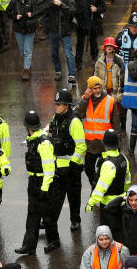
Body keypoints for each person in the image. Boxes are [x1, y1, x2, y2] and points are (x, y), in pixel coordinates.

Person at [14, 109, 61, 255]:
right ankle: (29, 245)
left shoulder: (43, 143)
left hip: (43, 183)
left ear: (28, 127)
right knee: (32, 215)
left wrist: (44, 188)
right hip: (34, 181)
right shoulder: (33, 139)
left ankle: (54, 241)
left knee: (47, 216)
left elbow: (49, 168)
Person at [49, 88, 87, 231]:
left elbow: (81, 146)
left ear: (66, 106)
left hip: (71, 167)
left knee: (73, 196)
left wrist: (72, 163)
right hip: (58, 165)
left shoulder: (74, 122)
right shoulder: (55, 119)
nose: (56, 106)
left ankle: (75, 220)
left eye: (59, 104)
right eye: (56, 104)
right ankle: (51, 220)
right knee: (55, 197)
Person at [78, 76, 125, 186]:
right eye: (95, 88)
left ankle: (101, 188)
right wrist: (85, 98)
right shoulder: (86, 99)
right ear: (89, 89)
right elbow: (79, 113)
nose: (98, 90)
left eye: (99, 87)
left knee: (105, 169)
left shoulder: (110, 101)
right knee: (89, 169)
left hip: (105, 143)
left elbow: (116, 124)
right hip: (90, 143)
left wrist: (118, 144)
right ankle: (95, 185)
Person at [87, 129, 131, 225]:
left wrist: (91, 202)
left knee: (108, 232)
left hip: (108, 205)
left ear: (105, 145)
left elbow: (101, 187)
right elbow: (127, 180)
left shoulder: (108, 164)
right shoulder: (123, 158)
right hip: (121, 201)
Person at [12, 0, 43, 81]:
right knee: (22, 51)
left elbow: (39, 12)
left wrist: (32, 14)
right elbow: (9, 13)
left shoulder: (33, 0)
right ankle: (28, 65)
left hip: (30, 29)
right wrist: (15, 16)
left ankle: (25, 70)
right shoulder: (14, 1)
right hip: (19, 29)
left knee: (27, 51)